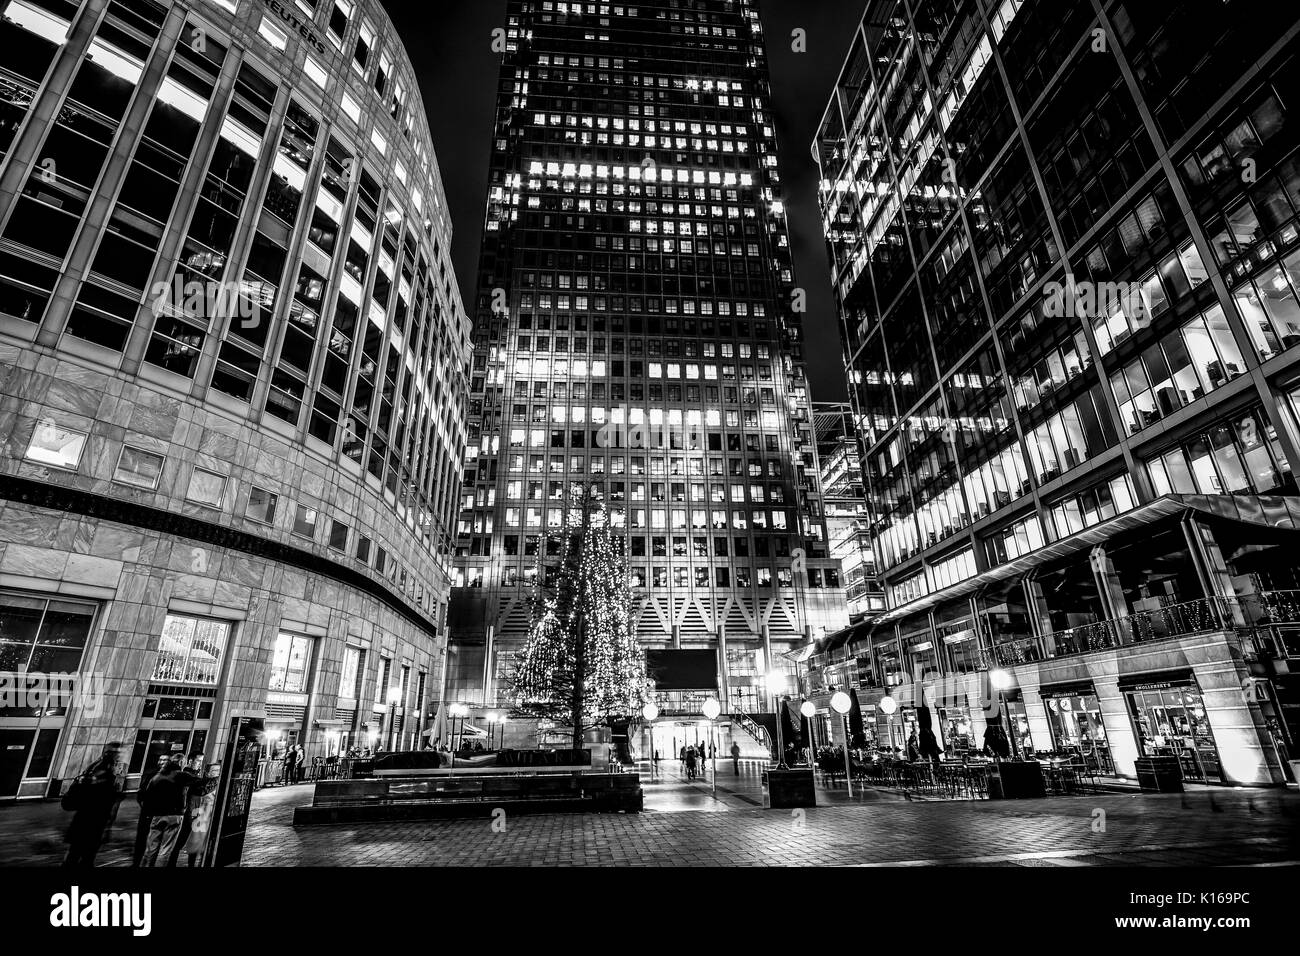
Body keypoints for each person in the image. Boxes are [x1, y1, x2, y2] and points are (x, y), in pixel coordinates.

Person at [62, 743, 125, 867]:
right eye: (117, 753)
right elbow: (99, 797)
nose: (119, 756)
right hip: (91, 820)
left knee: (78, 854)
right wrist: (115, 795)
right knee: (81, 854)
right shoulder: (102, 771)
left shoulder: (100, 768)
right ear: (109, 753)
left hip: (89, 818)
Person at [140, 755, 203, 867]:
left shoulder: (157, 776)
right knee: (165, 849)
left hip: (157, 815)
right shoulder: (181, 775)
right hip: (174, 816)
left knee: (151, 848)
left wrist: (148, 814)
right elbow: (201, 783)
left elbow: (147, 797)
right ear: (182, 763)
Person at [168, 752, 206, 867]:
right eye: (198, 761)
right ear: (190, 761)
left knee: (192, 842)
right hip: (186, 814)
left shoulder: (194, 775)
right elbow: (202, 789)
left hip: (194, 813)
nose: (200, 764)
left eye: (201, 761)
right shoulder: (187, 775)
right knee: (178, 843)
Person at [133, 753, 170, 866]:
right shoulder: (151, 775)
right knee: (142, 839)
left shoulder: (170, 776)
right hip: (148, 813)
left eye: (164, 760)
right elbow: (141, 794)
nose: (161, 762)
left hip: (159, 814)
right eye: (160, 760)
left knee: (154, 841)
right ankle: (137, 862)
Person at [182, 762, 221, 867]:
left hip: (210, 819)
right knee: (195, 843)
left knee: (207, 845)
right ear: (208, 772)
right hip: (200, 819)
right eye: (215, 770)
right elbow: (193, 803)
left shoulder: (219, 785)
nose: (217, 773)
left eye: (219, 770)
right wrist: (193, 818)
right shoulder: (200, 785)